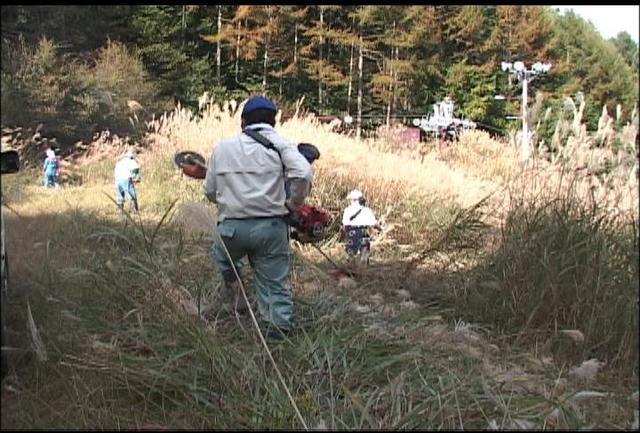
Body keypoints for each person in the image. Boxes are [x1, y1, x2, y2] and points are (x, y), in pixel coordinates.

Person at [203, 95, 312, 340]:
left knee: (223, 257)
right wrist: (293, 204)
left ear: (243, 121)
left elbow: (209, 191)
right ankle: (278, 333)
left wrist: (229, 200)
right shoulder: (280, 144)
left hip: (232, 230)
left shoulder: (223, 147)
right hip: (270, 228)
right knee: (274, 284)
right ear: (273, 121)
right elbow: (303, 173)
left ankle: (235, 289)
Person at [342, 189, 381, 265]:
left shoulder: (347, 210)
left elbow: (345, 226)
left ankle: (350, 273)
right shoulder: (367, 210)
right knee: (363, 259)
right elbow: (374, 224)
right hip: (363, 235)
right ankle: (363, 273)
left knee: (351, 258)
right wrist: (382, 229)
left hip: (351, 236)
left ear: (352, 200)